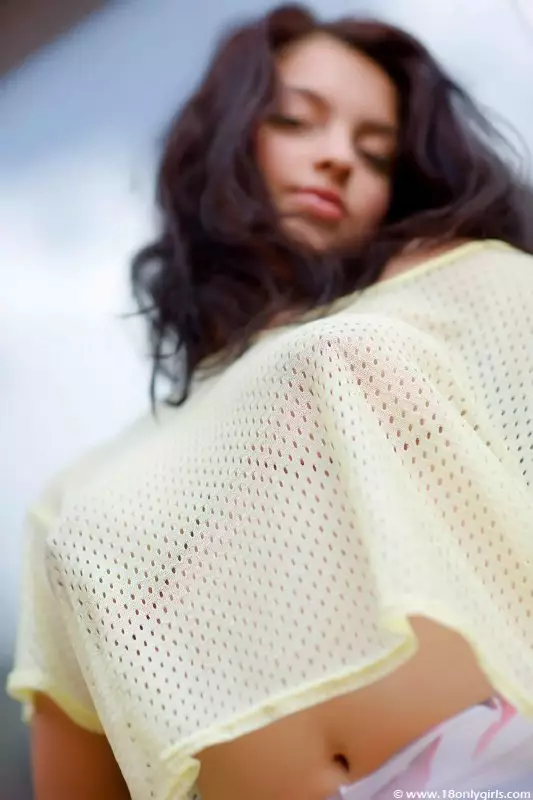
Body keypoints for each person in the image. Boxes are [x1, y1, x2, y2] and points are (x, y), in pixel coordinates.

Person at [7, 4, 533, 800]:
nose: (337, 158)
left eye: (374, 150)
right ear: (225, 139)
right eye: (296, 121)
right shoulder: (77, 495)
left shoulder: (446, 292)